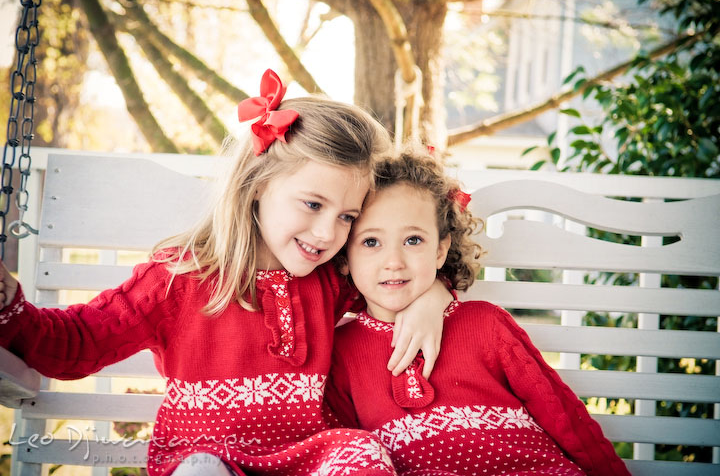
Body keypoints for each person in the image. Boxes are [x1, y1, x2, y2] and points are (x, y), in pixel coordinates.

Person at [0, 70, 452, 476]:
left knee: (362, 454)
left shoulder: (332, 278)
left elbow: (396, 280)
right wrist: (9, 305)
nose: (327, 232)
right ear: (257, 186)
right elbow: (76, 343)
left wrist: (434, 296)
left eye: (347, 217)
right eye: (313, 204)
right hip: (208, 457)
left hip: (307, 458)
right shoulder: (178, 278)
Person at [325, 147, 631, 476]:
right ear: (344, 257)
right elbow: (344, 451)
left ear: (441, 250)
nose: (394, 262)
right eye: (371, 242)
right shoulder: (341, 353)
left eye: (413, 240)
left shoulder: (485, 323)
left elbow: (561, 413)